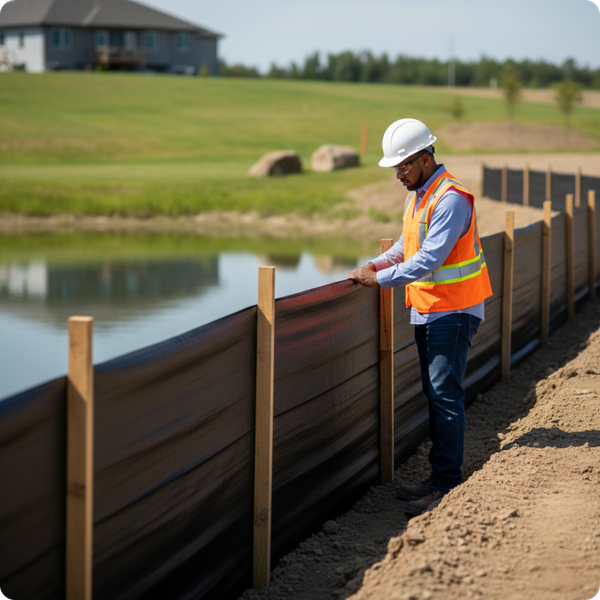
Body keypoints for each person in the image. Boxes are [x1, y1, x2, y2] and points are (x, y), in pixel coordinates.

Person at [346, 118, 493, 516]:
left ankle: (445, 485)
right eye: (396, 168)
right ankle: (436, 479)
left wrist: (381, 282)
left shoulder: (451, 199)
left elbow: (429, 258)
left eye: (405, 166)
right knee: (435, 393)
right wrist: (373, 266)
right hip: (429, 309)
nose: (399, 174)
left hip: (454, 309)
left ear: (427, 158)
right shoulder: (420, 194)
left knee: (446, 395)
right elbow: (404, 245)